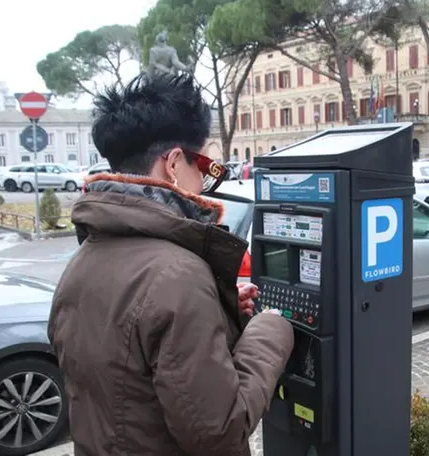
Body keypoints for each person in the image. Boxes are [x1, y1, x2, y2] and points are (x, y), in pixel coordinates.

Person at [48, 73, 294, 456]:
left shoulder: (82, 261)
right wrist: (270, 329)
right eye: (207, 167)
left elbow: (132, 382)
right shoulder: (177, 275)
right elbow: (218, 431)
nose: (207, 180)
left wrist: (219, 313)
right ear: (175, 163)